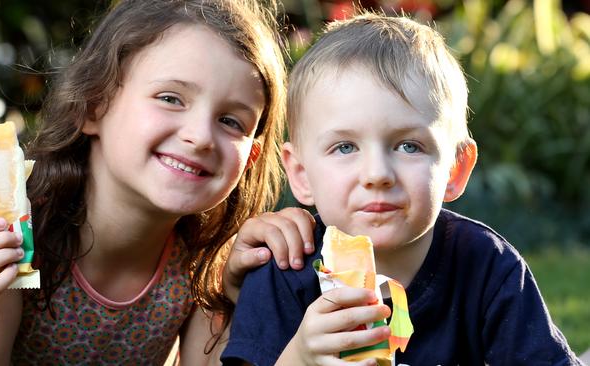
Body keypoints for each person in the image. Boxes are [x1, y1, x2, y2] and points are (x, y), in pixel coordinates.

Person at [0, 0, 316, 364]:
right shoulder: (19, 238)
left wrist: (239, 299)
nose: (201, 136)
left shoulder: (203, 263)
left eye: (231, 121)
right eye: (170, 98)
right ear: (93, 105)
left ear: (250, 158)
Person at [221, 11, 584, 366]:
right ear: (300, 173)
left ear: (455, 169)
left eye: (409, 146)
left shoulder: (487, 266)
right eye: (345, 147)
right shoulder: (284, 270)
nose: (377, 174)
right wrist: (301, 357)